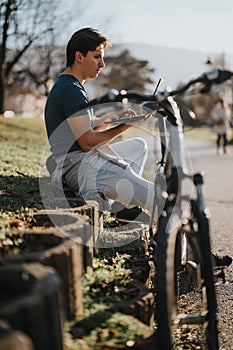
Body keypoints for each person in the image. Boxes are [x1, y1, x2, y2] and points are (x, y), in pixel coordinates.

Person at [44, 27, 232, 267]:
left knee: (138, 147)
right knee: (162, 199)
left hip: (79, 161)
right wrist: (124, 126)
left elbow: (83, 125)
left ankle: (123, 206)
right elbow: (87, 140)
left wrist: (117, 116)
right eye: (97, 56)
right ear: (79, 56)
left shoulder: (70, 85)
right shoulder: (71, 90)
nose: (102, 63)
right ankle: (195, 258)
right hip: (79, 167)